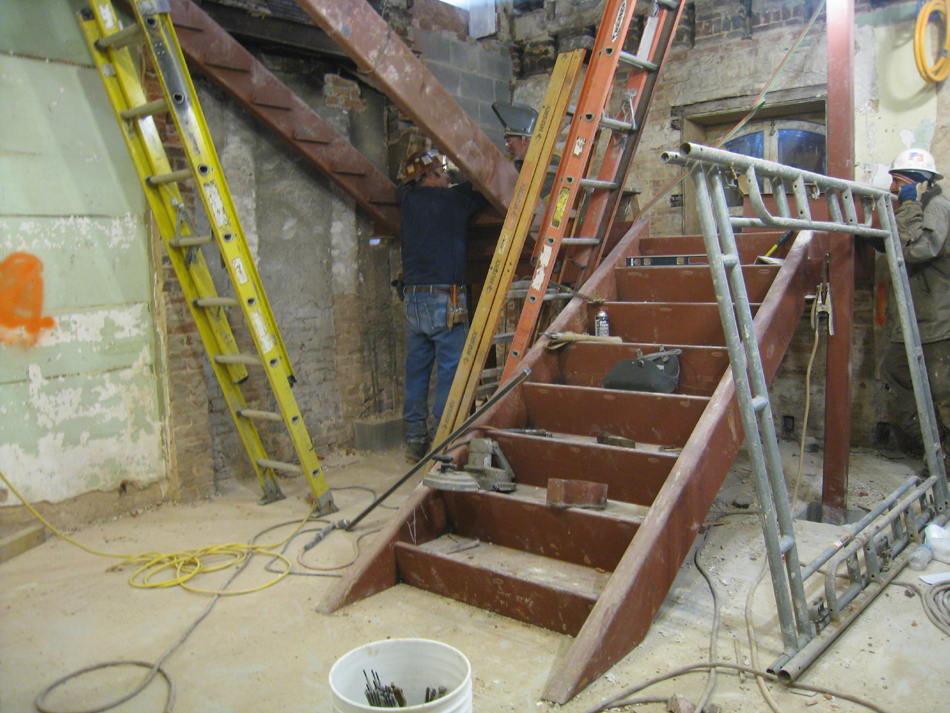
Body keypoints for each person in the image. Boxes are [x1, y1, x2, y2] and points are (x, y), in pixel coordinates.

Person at [398, 149, 488, 461]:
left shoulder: (406, 201)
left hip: (412, 301)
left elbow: (404, 185)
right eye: (443, 172)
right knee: (450, 371)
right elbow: (483, 188)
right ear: (428, 177)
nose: (449, 177)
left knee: (417, 371)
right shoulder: (451, 201)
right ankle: (443, 439)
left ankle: (414, 440)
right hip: (444, 301)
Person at [881, 148, 950, 454]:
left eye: (898, 181)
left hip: (935, 320)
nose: (893, 189)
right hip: (912, 319)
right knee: (896, 375)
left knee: (941, 395)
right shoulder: (920, 206)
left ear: (917, 182)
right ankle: (932, 454)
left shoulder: (934, 206)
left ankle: (943, 464)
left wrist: (908, 205)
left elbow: (919, 250)